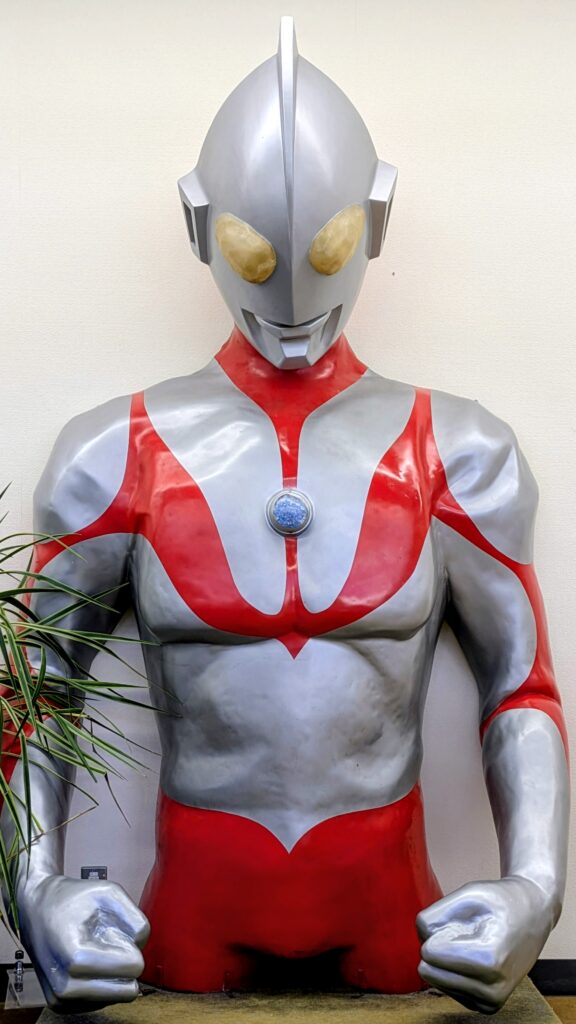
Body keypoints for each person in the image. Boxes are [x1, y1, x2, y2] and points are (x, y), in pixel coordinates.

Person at [3, 18, 568, 1016]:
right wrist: (32, 890)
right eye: (251, 254)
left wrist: (537, 884)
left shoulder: (462, 453)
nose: (295, 297)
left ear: (377, 217)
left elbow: (520, 689)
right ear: (199, 225)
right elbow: (34, 696)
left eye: (331, 245)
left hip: (402, 922)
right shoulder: (111, 455)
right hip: (187, 922)